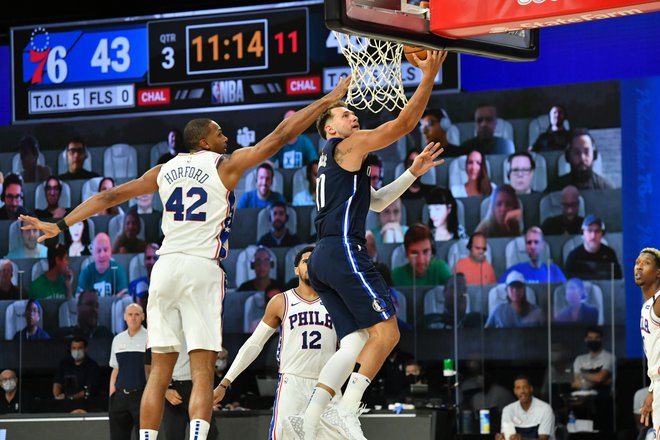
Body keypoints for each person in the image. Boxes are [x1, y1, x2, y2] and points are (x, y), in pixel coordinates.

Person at [19, 76, 351, 440]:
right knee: (203, 369)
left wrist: (61, 224)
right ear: (205, 141)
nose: (226, 138)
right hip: (200, 267)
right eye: (220, 133)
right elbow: (282, 134)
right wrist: (328, 100)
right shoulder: (225, 165)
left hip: (163, 269)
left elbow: (109, 198)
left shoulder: (164, 170)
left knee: (159, 371)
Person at [290, 50, 446, 440]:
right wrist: (429, 74)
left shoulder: (335, 160)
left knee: (357, 339)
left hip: (323, 256)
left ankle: (309, 421)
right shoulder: (349, 145)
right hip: (343, 248)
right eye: (343, 114)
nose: (353, 117)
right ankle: (346, 409)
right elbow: (406, 122)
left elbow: (375, 202)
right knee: (389, 333)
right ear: (329, 129)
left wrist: (413, 172)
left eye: (352, 114)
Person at [215, 245, 342, 440]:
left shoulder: (337, 301)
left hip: (328, 383)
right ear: (296, 269)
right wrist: (225, 382)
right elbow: (254, 345)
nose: (311, 265)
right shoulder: (281, 301)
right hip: (293, 384)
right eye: (306, 261)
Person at [162, 341, 220, 440]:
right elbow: (152, 367)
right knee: (173, 435)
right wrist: (165, 390)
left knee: (208, 434)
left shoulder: (200, 329)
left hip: (198, 385)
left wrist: (208, 391)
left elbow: (211, 362)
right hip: (173, 388)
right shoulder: (166, 331)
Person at [109, 303, 148, 440]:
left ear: (143, 317)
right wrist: (112, 397)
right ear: (125, 317)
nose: (133, 318)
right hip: (120, 397)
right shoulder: (118, 339)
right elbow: (115, 369)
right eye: (130, 314)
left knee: (143, 436)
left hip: (142, 396)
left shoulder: (150, 338)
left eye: (137, 314)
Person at [635, 247, 660, 437]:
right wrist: (652, 392)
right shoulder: (647, 306)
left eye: (646, 263)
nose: (639, 267)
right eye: (637, 262)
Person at [392, 223, 452, 287]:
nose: (421, 260)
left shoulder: (441, 269)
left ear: (432, 251)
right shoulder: (396, 276)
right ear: (406, 253)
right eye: (414, 253)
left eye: (425, 252)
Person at [495, 375, 555, 440]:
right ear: (514, 391)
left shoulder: (545, 409)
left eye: (525, 387)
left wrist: (522, 439)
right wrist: (502, 438)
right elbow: (508, 436)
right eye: (518, 388)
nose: (522, 391)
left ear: (531, 389)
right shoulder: (508, 410)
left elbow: (543, 438)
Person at [499, 226, 566, 284]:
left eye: (536, 242)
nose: (532, 246)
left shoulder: (554, 271)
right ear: (525, 246)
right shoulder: (514, 271)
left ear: (542, 245)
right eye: (529, 242)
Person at [564, 215, 622, 279]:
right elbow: (568, 284)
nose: (593, 235)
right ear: (583, 233)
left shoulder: (610, 254)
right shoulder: (573, 256)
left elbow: (618, 281)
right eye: (589, 230)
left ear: (602, 234)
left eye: (597, 231)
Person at [77, 232, 129, 297]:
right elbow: (78, 298)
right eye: (98, 251)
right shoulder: (86, 272)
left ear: (110, 252)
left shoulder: (118, 270)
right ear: (93, 254)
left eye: (105, 250)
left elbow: (124, 297)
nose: (102, 255)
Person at [571, 327, 615, 395]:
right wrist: (601, 382)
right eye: (590, 338)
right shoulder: (579, 359)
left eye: (597, 338)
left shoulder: (609, 357)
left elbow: (599, 378)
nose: (593, 340)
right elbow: (575, 383)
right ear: (586, 339)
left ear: (601, 339)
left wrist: (582, 375)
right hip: (583, 397)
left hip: (605, 397)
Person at [128, 243, 159, 318]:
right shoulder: (135, 284)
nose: (152, 262)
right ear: (144, 262)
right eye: (148, 258)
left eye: (155, 258)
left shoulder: (168, 283)